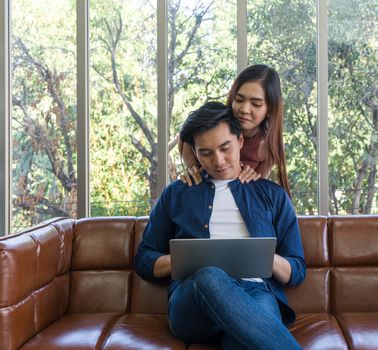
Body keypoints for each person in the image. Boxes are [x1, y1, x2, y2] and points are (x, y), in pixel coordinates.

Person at [135, 102, 306, 350]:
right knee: (211, 275)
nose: (218, 160)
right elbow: (144, 259)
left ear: (239, 140)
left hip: (255, 294)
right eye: (205, 153)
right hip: (193, 300)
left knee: (242, 339)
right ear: (194, 152)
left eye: (225, 148)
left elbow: (297, 269)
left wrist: (265, 258)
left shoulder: (272, 195)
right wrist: (187, 260)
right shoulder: (177, 193)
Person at [179, 64, 291, 197]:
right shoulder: (214, 124)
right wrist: (193, 170)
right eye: (239, 100)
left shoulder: (268, 147)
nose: (244, 109)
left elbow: (256, 190)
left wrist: (253, 177)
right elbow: (186, 138)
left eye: (256, 104)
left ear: (270, 110)